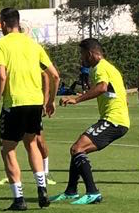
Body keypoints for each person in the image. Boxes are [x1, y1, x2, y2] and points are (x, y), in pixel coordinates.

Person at [0, 8, 58, 210]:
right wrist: (50, 101)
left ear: (3, 24)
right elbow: (55, 75)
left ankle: (19, 199)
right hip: (35, 103)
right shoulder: (34, 44)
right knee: (31, 144)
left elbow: (1, 76)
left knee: (7, 148)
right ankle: (42, 190)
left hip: (15, 102)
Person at [54, 38, 130, 204]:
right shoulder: (110, 68)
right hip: (116, 119)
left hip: (113, 120)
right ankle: (71, 191)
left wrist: (77, 98)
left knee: (77, 148)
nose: (82, 59)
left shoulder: (100, 68)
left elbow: (102, 87)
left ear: (90, 53)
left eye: (82, 54)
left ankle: (92, 192)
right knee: (77, 149)